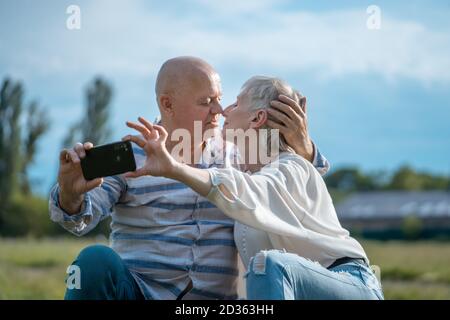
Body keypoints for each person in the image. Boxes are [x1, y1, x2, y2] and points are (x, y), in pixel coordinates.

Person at [49, 57, 329, 300]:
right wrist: (70, 194)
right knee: (94, 261)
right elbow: (79, 220)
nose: (219, 111)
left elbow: (297, 193)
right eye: (206, 102)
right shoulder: (131, 156)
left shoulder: (240, 154)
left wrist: (303, 146)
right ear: (167, 104)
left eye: (220, 99)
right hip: (139, 292)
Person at [122, 76, 384, 300]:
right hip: (292, 286)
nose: (224, 111)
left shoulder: (293, 167)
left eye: (236, 103)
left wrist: (174, 169)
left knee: (267, 264)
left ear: (258, 117)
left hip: (351, 284)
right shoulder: (249, 173)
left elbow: (247, 190)